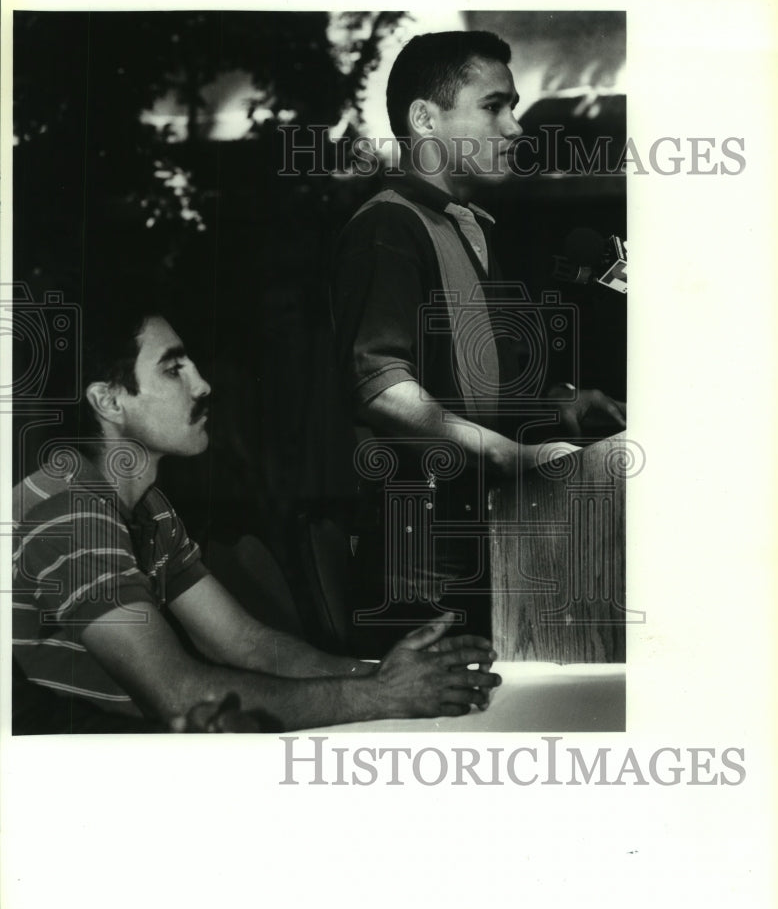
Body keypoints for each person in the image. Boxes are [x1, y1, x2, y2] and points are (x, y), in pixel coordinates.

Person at [12, 301, 500, 733]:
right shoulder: (69, 511)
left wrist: (380, 676)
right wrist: (382, 694)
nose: (201, 384)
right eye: (172, 369)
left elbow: (248, 644)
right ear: (109, 401)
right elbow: (175, 692)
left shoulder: (149, 508)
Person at [331, 30, 626, 652]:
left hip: (487, 544)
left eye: (512, 106)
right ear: (424, 118)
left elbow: (475, 385)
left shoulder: (470, 225)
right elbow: (381, 389)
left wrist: (561, 402)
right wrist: (508, 456)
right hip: (423, 570)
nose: (515, 127)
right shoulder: (389, 224)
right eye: (493, 106)